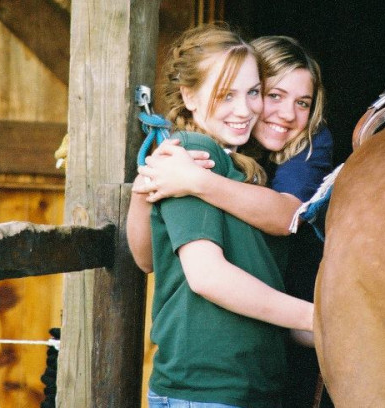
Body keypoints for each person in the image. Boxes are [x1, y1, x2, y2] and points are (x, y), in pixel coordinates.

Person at [133, 35, 334, 407]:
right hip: (210, 388)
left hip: (245, 380)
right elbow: (202, 274)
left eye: (252, 94)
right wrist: (322, 319)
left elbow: (283, 219)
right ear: (190, 96)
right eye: (273, 95)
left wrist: (199, 182)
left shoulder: (240, 165)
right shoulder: (197, 152)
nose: (245, 109)